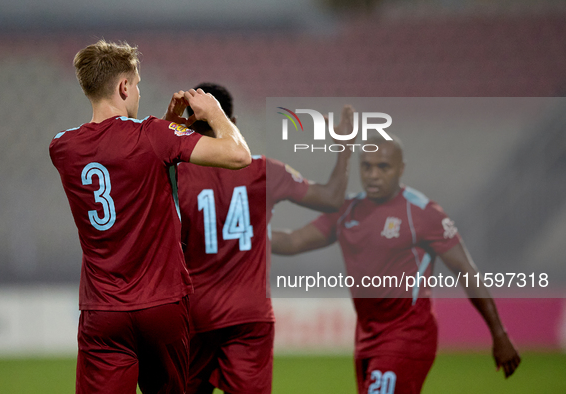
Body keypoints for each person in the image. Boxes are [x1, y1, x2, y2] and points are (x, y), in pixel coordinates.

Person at [49, 41, 251, 394]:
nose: (139, 92)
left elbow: (126, 159)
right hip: (162, 305)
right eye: (137, 83)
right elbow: (238, 155)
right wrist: (215, 114)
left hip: (103, 310)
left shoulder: (63, 147)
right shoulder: (153, 135)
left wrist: (168, 125)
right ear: (124, 87)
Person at [272, 135, 521, 394]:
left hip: (408, 333)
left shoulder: (422, 213)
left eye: (383, 167)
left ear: (401, 169)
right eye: (367, 166)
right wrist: (249, 234)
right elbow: (294, 240)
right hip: (367, 336)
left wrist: (499, 333)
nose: (373, 175)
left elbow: (466, 272)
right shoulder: (346, 209)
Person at [177, 82, 355, 394]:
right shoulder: (265, 170)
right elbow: (331, 198)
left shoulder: (175, 176)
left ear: (189, 123)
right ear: (232, 122)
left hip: (193, 316)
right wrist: (344, 150)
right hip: (250, 315)